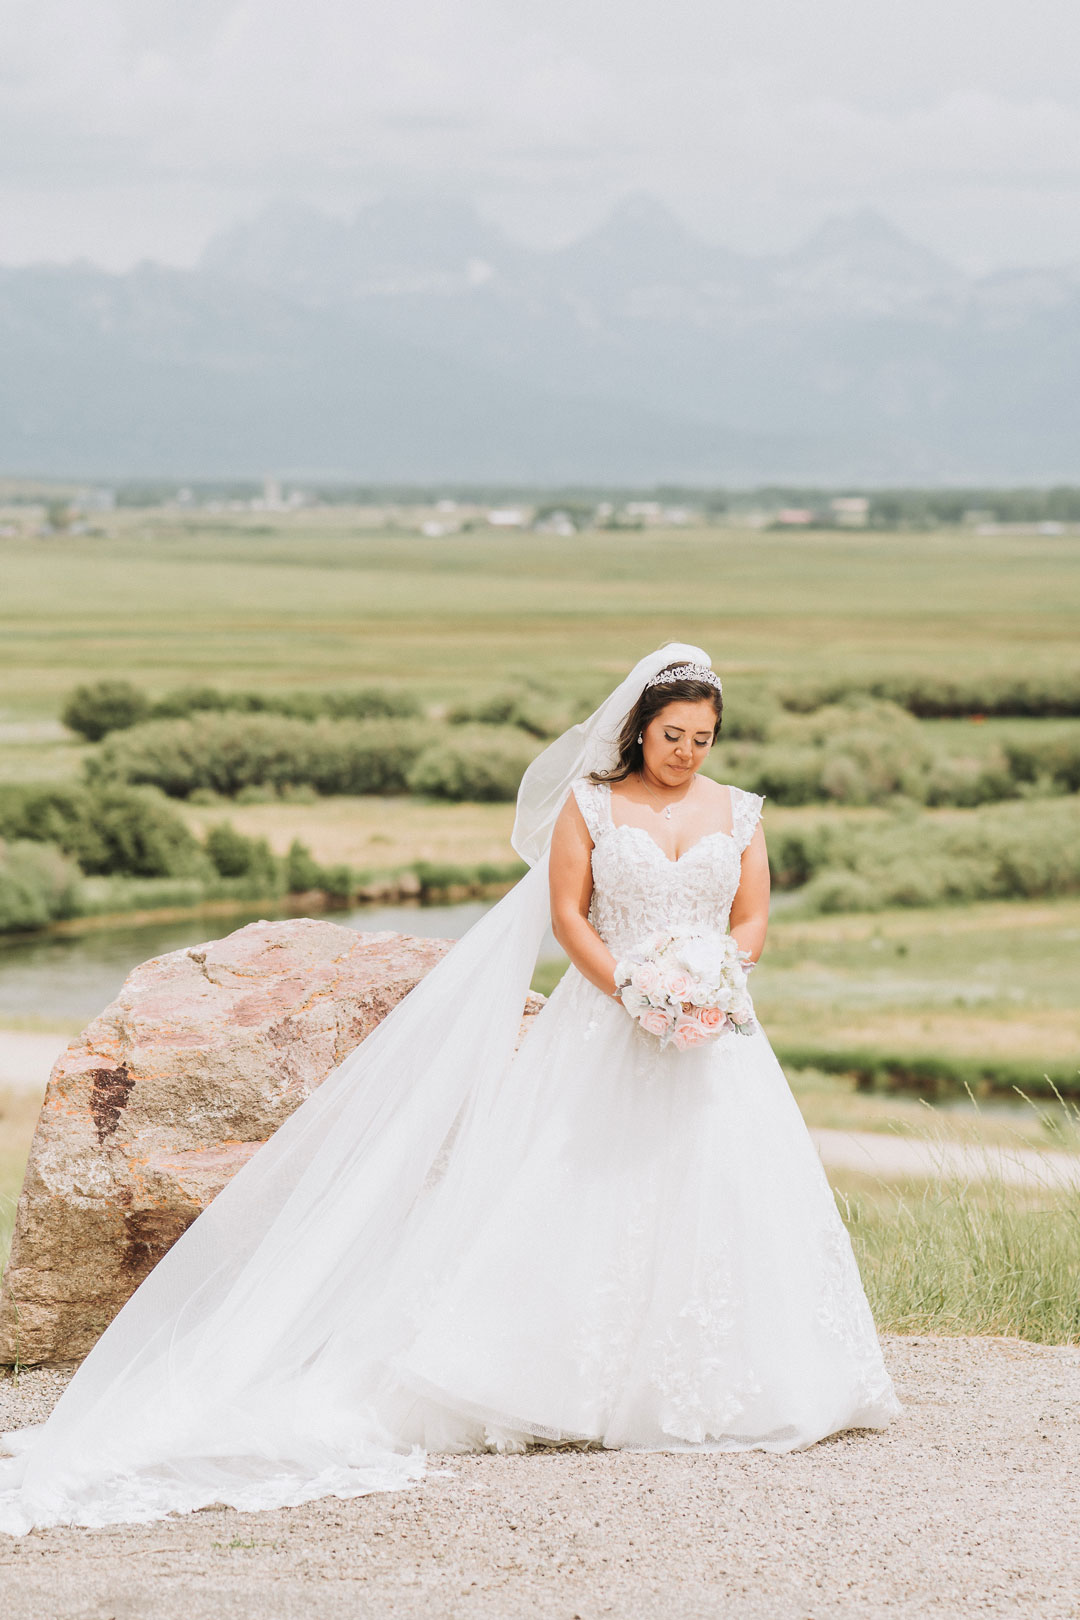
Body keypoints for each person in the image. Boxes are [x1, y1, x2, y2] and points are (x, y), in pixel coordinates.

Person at [0, 643, 899, 1534]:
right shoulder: (590, 805)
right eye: (673, 735)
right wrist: (629, 985)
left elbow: (750, 919)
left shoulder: (739, 813)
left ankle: (728, 1379)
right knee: (578, 1186)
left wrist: (712, 973)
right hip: (602, 1024)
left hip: (713, 1034)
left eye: (703, 738)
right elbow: (566, 916)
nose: (688, 754)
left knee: (719, 1191)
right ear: (639, 728)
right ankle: (553, 1384)